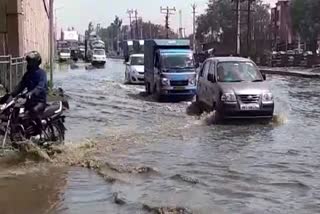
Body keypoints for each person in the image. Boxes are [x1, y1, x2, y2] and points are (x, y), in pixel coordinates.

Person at [11, 51, 48, 129]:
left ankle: (39, 132)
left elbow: (40, 87)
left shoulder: (42, 73)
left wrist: (30, 93)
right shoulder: (28, 74)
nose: (30, 64)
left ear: (37, 62)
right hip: (29, 101)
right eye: (29, 61)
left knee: (34, 111)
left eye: (32, 62)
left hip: (39, 102)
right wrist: (11, 94)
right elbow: (21, 85)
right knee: (16, 111)